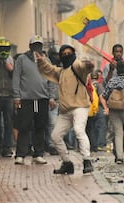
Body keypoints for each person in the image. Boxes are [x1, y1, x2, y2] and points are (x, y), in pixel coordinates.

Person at [35, 44, 94, 174]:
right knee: (55, 136)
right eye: (64, 54)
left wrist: (88, 65)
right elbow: (49, 69)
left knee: (79, 130)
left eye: (69, 53)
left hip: (80, 107)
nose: (67, 56)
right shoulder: (61, 72)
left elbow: (83, 66)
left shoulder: (77, 66)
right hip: (65, 110)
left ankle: (87, 160)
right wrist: (41, 61)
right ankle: (67, 163)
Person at [12, 35, 55, 165]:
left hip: (42, 99)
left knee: (40, 126)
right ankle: (20, 154)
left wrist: (52, 97)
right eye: (35, 45)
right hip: (26, 99)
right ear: (30, 46)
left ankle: (38, 154)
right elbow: (16, 77)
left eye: (39, 46)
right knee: (24, 126)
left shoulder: (46, 60)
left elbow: (51, 79)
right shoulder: (22, 59)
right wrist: (16, 96)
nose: (37, 48)